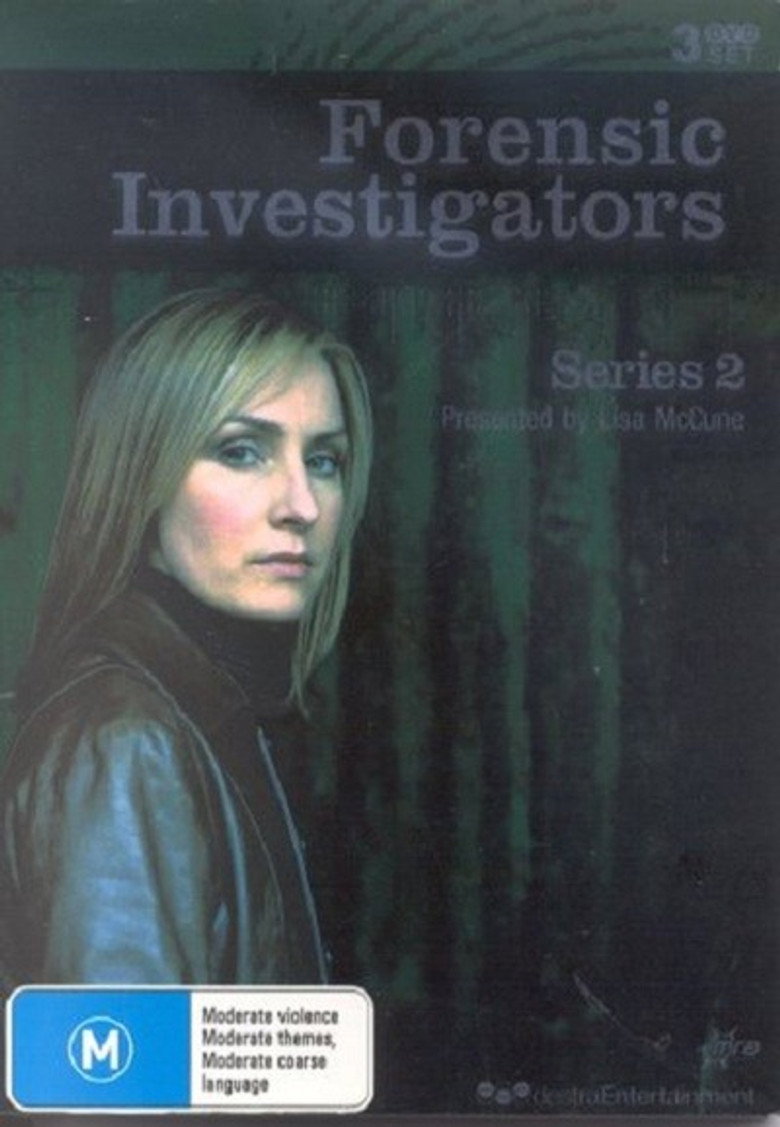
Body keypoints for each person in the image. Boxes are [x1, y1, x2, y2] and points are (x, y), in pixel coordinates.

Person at [0, 288, 372, 988]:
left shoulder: (191, 708)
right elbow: (122, 1055)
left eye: (324, 460)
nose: (302, 505)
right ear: (143, 477)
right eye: (242, 451)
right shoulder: (129, 739)